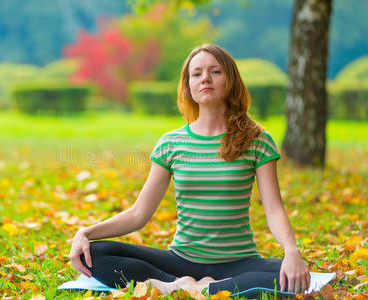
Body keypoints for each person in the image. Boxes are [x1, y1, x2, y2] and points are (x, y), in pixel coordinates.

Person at [69, 44, 310, 297]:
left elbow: (273, 209)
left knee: (294, 276)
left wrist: (291, 251)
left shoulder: (257, 139)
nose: (205, 78)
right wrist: (85, 232)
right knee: (95, 253)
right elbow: (139, 213)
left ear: (231, 80)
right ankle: (173, 285)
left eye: (215, 72)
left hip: (238, 262)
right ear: (188, 86)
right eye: (196, 74)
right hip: (180, 261)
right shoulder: (171, 143)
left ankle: (205, 288)